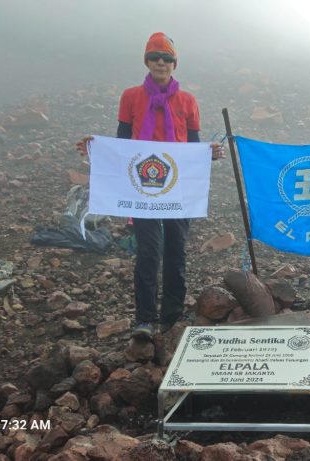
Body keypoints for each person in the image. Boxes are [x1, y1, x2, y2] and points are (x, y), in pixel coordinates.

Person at [77, 32, 224, 340]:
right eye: (155, 56)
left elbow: (193, 146)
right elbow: (121, 141)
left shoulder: (187, 101)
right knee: (148, 250)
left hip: (178, 188)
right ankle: (145, 318)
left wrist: (209, 154)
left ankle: (171, 317)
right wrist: (97, 149)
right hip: (140, 188)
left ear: (174, 64)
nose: (161, 62)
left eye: (167, 58)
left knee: (176, 250)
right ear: (146, 61)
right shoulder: (131, 96)